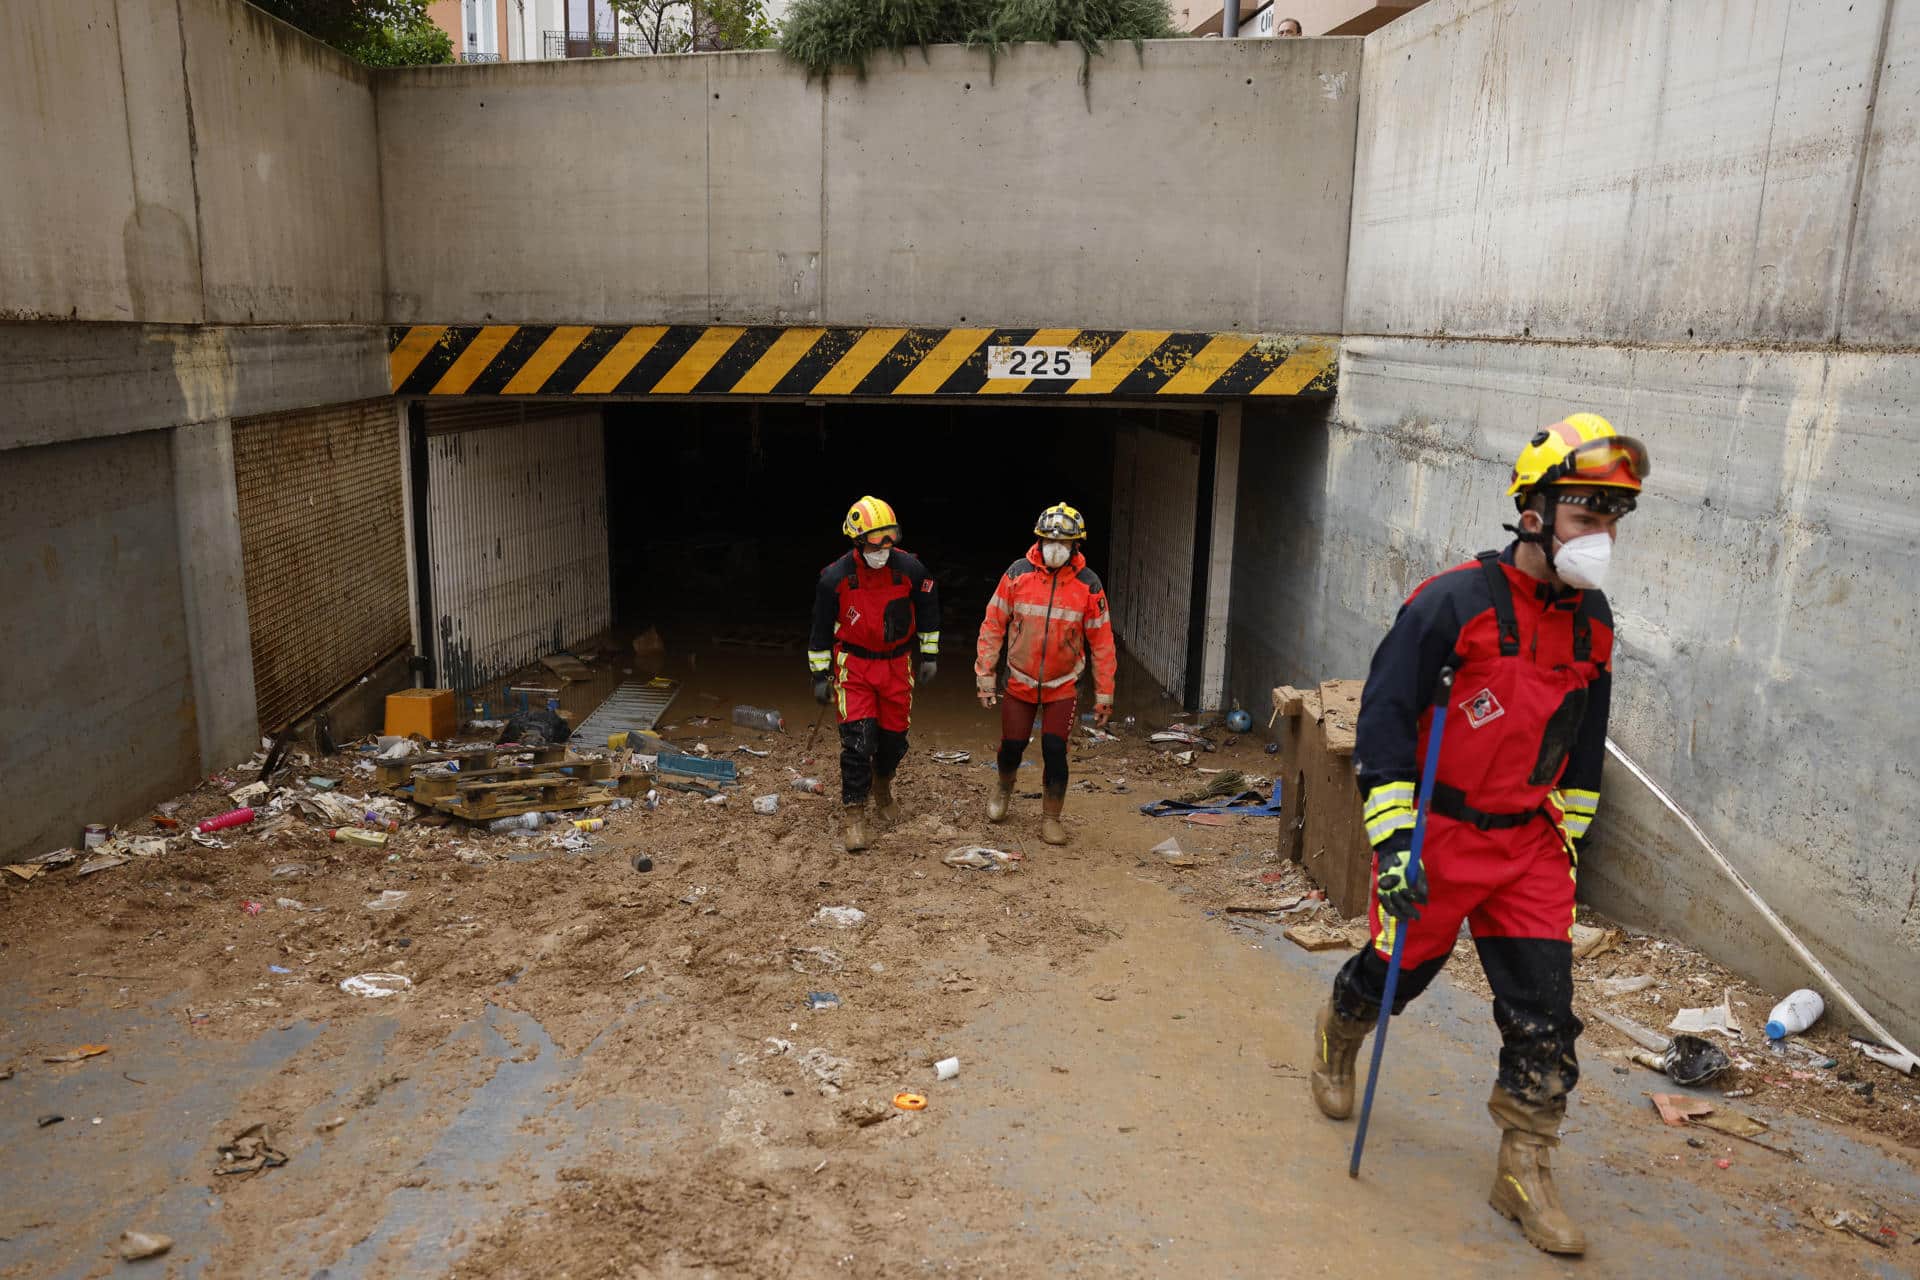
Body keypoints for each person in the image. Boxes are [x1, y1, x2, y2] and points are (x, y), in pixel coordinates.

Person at [1306, 414, 1649, 1256]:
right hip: (1442, 837)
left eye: (1612, 518)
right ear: (1532, 511)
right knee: (1400, 976)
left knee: (1544, 1013)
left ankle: (1523, 1169)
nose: (1599, 536)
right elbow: (1384, 721)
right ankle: (1338, 1030)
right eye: (1585, 514)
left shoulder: (1594, 622)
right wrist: (1394, 846)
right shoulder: (1448, 603)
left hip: (1528, 847)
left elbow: (1583, 740)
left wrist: (1566, 840)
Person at [974, 503, 1118, 846]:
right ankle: (1004, 787)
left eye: (1064, 543)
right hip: (1019, 680)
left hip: (1062, 685)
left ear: (1075, 547)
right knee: (1013, 745)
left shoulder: (1089, 585)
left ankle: (1051, 816)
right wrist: (985, 676)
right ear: (1038, 541)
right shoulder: (1017, 574)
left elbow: (1102, 642)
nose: (1056, 549)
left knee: (1055, 749)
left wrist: (1105, 694)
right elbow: (993, 624)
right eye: (1049, 541)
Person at [807, 497, 941, 852]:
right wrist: (820, 675)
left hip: (897, 665)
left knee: (894, 740)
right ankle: (854, 813)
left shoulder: (912, 569)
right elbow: (820, 630)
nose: (884, 546)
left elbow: (928, 608)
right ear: (857, 541)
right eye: (875, 539)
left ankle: (883, 782)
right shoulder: (834, 578)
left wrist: (929, 654)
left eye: (889, 537)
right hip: (855, 667)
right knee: (857, 742)